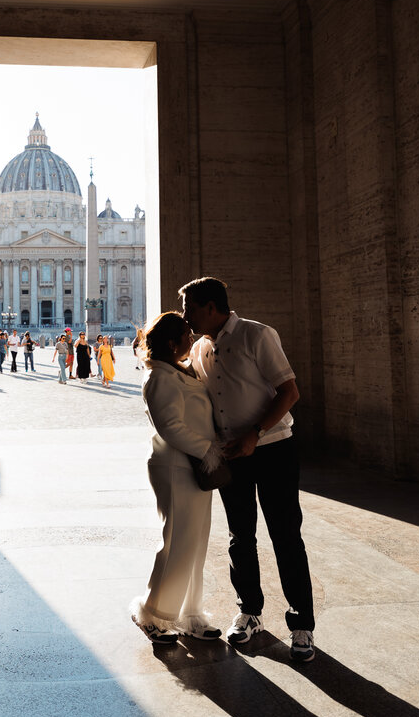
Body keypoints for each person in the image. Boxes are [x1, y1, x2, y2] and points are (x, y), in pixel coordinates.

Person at [179, 276, 315, 663]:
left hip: (274, 449)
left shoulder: (258, 335)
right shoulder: (200, 348)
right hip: (232, 453)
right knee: (240, 537)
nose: (186, 317)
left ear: (210, 307)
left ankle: (301, 624)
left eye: (189, 309)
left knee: (286, 535)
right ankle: (250, 611)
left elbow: (290, 391)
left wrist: (256, 433)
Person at [130, 312, 224, 644]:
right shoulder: (159, 376)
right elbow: (170, 426)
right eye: (186, 333)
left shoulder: (177, 370)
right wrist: (209, 450)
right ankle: (153, 612)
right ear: (172, 343)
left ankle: (190, 613)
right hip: (175, 466)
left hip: (195, 465)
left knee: (195, 543)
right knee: (176, 542)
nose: (192, 337)